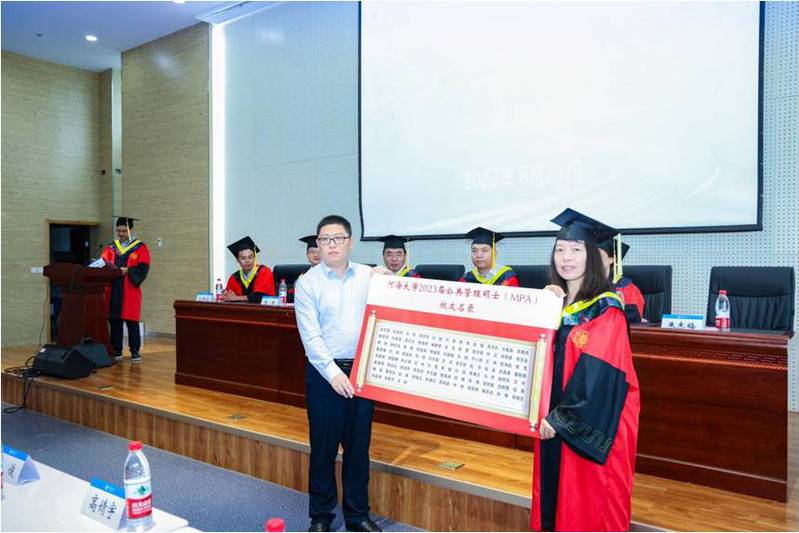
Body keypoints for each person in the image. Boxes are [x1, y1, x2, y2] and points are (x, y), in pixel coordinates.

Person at [532, 208, 640, 532]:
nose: (566, 257)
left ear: (592, 256)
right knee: (557, 499)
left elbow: (599, 374)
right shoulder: (557, 303)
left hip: (592, 422)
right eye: (560, 249)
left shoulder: (607, 310)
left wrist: (561, 419)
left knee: (586, 504)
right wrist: (540, 308)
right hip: (555, 417)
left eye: (576, 249)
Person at [294, 215, 382, 533]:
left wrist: (389, 279)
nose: (332, 245)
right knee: (323, 448)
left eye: (338, 238)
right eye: (325, 239)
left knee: (358, 449)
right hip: (324, 374)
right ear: (318, 244)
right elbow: (311, 337)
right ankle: (321, 516)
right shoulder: (307, 283)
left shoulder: (369, 276)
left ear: (350, 242)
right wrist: (333, 373)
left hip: (360, 373)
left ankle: (357, 515)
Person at [101, 217, 150, 363]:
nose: (121, 234)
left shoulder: (139, 247)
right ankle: (117, 350)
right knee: (114, 320)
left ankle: (135, 351)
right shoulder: (111, 247)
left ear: (130, 230)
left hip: (129, 289)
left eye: (124, 231)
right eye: (119, 231)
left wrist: (128, 270)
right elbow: (103, 263)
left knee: (131, 321)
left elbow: (143, 267)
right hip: (113, 288)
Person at [597, 236, 646, 323]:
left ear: (612, 259)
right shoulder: (581, 285)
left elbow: (634, 322)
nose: (593, 260)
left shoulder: (626, 288)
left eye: (598, 255)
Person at [222, 236, 276, 302]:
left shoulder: (264, 272)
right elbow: (228, 296)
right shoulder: (234, 277)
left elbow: (259, 296)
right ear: (237, 260)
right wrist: (225, 294)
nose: (247, 261)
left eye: (250, 257)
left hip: (263, 308)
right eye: (243, 258)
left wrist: (236, 298)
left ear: (255, 258)